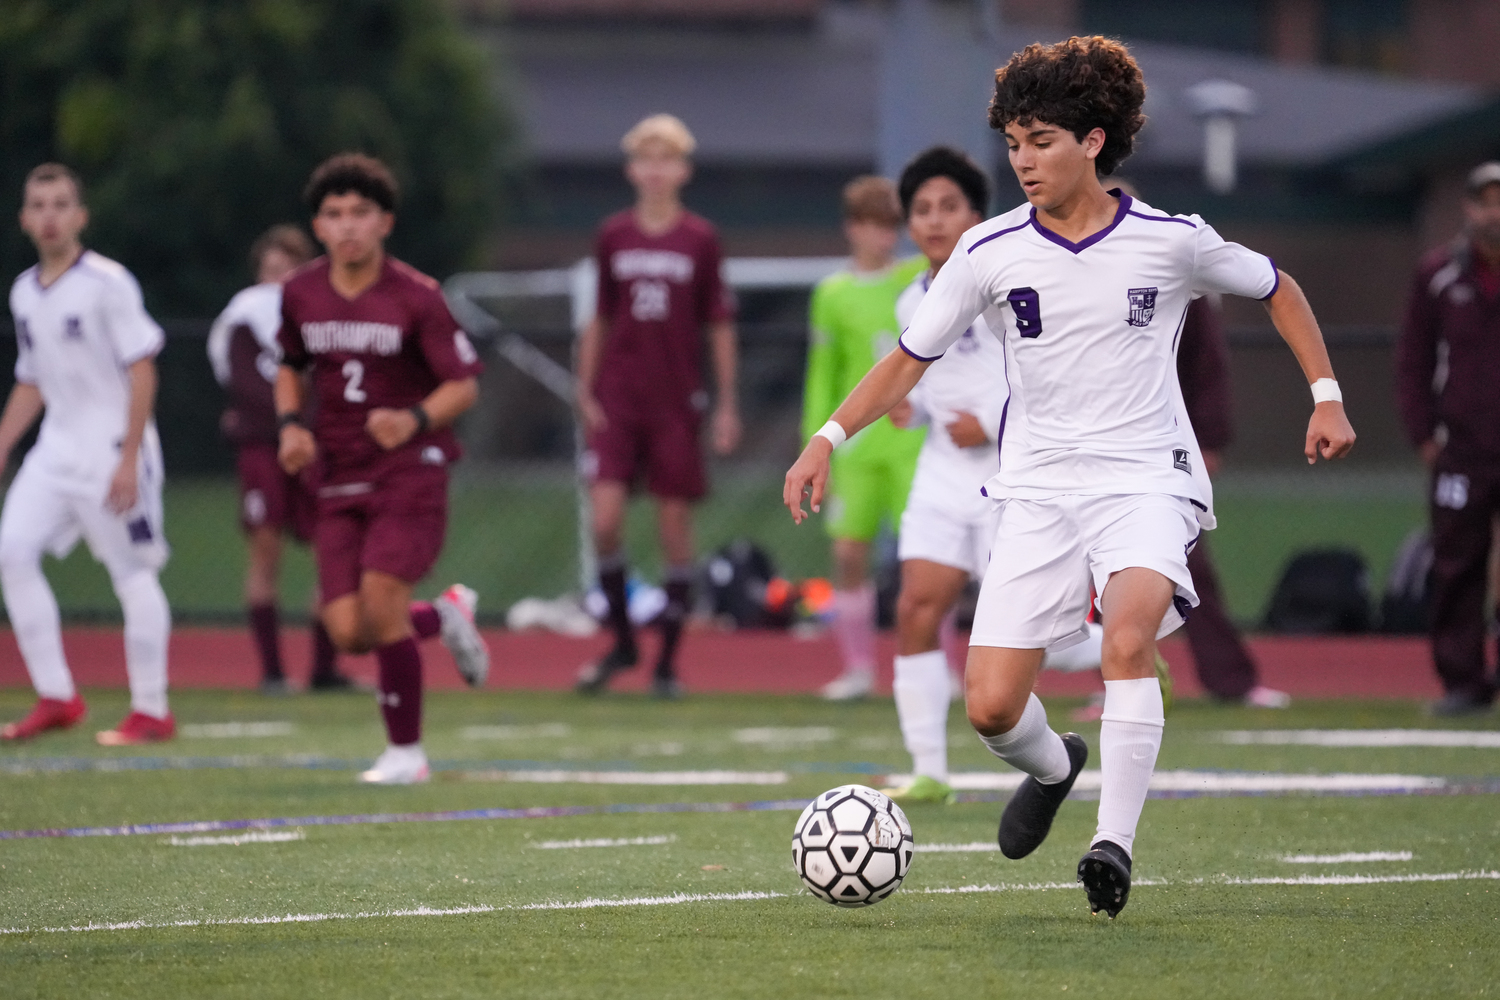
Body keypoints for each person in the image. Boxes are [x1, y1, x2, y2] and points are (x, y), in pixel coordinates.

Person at [784, 36, 1355, 917]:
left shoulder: (1169, 242)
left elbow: (1278, 287)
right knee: (990, 707)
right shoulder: (988, 250)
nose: (1022, 161)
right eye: (1013, 142)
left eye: (1041, 140)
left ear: (1094, 140)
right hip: (1037, 493)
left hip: (1146, 482)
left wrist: (1326, 394)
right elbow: (907, 360)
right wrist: (826, 436)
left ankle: (1112, 847)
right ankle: (1055, 768)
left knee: (1127, 641)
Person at [276, 153, 489, 784]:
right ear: (317, 225)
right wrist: (290, 425)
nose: (347, 226)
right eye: (334, 214)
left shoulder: (417, 296)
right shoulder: (300, 292)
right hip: (339, 471)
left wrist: (415, 419)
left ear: (385, 222)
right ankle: (446, 614)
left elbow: (464, 385)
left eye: (360, 213)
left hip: (410, 470)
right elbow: (289, 364)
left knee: (381, 602)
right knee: (347, 631)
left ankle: (406, 754)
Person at [0, 163, 175, 745]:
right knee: (12, 553)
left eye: (60, 204)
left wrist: (129, 457)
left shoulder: (108, 283)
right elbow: (33, 379)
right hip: (55, 451)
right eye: (38, 205)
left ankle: (151, 709)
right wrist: (3, 443)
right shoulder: (24, 292)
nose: (49, 215)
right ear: (24, 218)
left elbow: (142, 369)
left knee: (131, 573)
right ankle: (57, 696)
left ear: (80, 216)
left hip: (112, 450)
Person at [573, 114, 741, 698]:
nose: (655, 169)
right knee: (605, 521)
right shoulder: (614, 235)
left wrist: (726, 405)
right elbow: (599, 315)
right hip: (620, 397)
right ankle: (621, 638)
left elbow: (718, 323)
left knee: (674, 528)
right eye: (646, 158)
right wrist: (584, 386)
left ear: (683, 170)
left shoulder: (700, 239)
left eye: (666, 159)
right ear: (631, 169)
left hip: (676, 400)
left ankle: (666, 661)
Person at [208, 224, 350, 694]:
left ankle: (324, 668)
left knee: (331, 551)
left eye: (287, 267)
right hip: (265, 448)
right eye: (270, 268)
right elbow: (247, 384)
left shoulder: (322, 311)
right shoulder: (245, 316)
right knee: (265, 553)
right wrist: (291, 423)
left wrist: (314, 428)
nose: (278, 278)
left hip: (314, 446)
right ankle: (272, 671)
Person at [801, 176, 927, 701]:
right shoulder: (832, 293)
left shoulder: (920, 278)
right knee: (849, 552)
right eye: (873, 226)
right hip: (857, 446)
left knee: (925, 561)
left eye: (890, 227)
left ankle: (931, 669)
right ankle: (857, 668)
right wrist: (815, 442)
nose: (884, 237)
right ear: (852, 229)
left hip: (914, 441)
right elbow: (823, 373)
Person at [1395, 160, 1500, 716]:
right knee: (1458, 565)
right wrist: (1424, 435)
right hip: (1460, 447)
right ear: (1468, 209)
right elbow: (1412, 358)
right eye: (1486, 203)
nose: (1495, 215)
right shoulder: (1438, 275)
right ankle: (1462, 681)